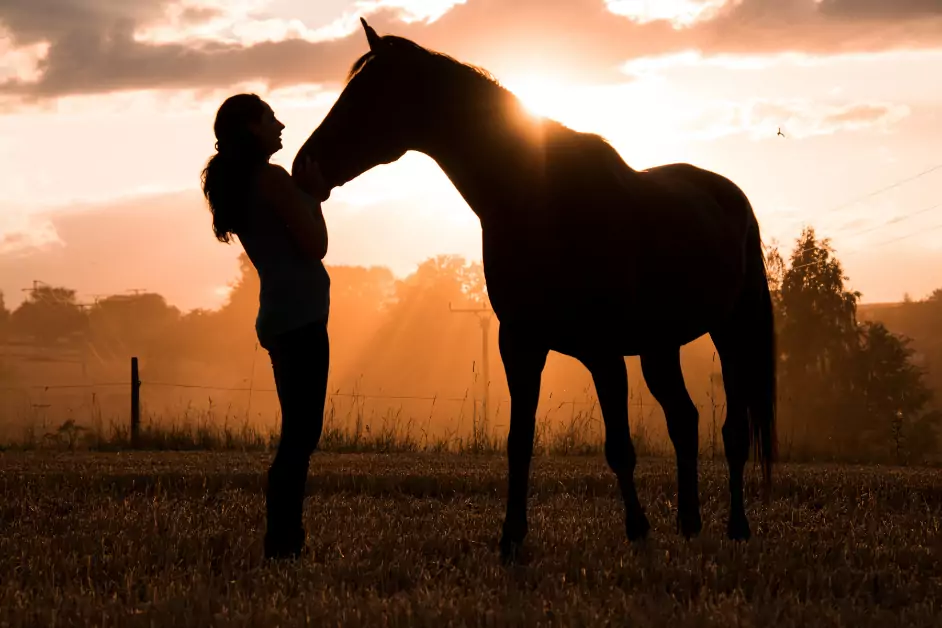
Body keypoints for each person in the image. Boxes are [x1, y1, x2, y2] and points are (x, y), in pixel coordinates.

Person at [200, 93, 331, 559]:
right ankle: (283, 541)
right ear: (253, 128)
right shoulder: (272, 181)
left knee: (298, 432)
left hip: (279, 316)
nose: (280, 124)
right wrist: (315, 197)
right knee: (301, 435)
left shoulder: (246, 183)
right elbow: (315, 245)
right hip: (301, 318)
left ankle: (285, 538)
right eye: (269, 117)